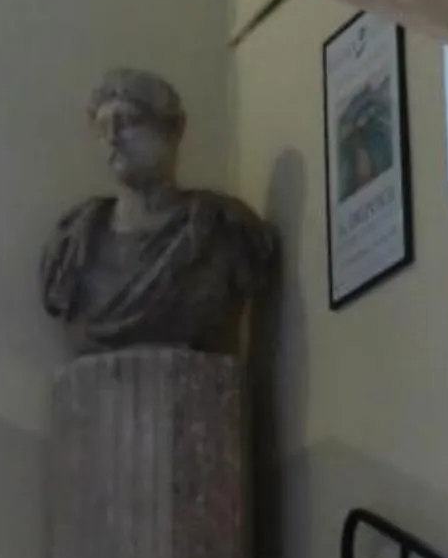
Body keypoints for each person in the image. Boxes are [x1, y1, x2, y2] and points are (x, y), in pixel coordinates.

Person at [38, 71, 276, 356]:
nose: (113, 138)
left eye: (128, 121)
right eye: (102, 127)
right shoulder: (72, 247)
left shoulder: (224, 229)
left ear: (175, 128)